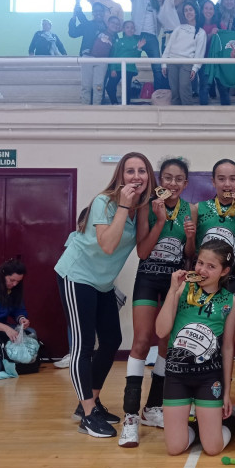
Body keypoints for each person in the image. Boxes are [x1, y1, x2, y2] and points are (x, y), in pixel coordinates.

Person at [55, 152, 155, 438]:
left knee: (112, 339)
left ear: (149, 176)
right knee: (84, 346)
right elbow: (108, 245)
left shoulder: (142, 208)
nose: (136, 177)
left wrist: (157, 219)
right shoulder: (104, 202)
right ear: (121, 176)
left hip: (103, 283)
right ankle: (87, 416)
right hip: (77, 277)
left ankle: (91, 401)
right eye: (130, 171)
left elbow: (142, 249)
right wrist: (124, 204)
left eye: (142, 171)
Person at [119, 157, 196, 448]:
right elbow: (142, 251)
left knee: (166, 343)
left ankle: (152, 408)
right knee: (141, 342)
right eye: (167, 178)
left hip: (174, 281)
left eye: (178, 179)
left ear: (185, 183)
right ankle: (130, 417)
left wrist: (190, 239)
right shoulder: (147, 206)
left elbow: (188, 254)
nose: (172, 184)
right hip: (149, 278)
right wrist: (160, 220)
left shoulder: (191, 209)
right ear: (159, 180)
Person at [156, 239, 235, 456]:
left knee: (213, 448)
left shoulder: (230, 301)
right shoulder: (182, 288)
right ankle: (201, 426)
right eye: (200, 263)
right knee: (175, 448)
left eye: (211, 266)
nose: (202, 269)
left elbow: (227, 349)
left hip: (209, 378)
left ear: (224, 271)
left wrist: (226, 392)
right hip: (177, 375)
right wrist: (171, 291)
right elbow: (160, 331)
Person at [196, 159, 235, 295]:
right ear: (213, 182)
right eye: (221, 179)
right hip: (205, 279)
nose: (227, 184)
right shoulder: (199, 208)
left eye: (232, 179)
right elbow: (190, 249)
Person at [126, 0, 168, 90]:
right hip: (136, 35)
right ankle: (127, 93)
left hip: (152, 36)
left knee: (157, 66)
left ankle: (158, 93)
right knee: (129, 64)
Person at [162, 3, 207, 106]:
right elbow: (169, 46)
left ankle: (188, 116)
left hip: (187, 63)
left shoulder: (201, 32)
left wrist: (195, 68)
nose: (188, 12)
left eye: (190, 9)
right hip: (172, 61)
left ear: (195, 12)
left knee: (184, 88)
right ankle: (175, 117)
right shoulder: (179, 28)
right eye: (186, 10)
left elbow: (200, 53)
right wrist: (164, 63)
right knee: (174, 90)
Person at [68, 1, 107, 104]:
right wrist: (74, 17)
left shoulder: (108, 28)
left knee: (99, 86)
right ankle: (85, 109)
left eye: (100, 11)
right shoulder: (87, 24)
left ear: (104, 13)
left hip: (103, 59)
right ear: (92, 13)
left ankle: (97, 109)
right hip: (87, 57)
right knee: (86, 86)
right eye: (95, 11)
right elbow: (73, 33)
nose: (98, 13)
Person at [106, 20, 146, 105]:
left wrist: (139, 48)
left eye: (132, 28)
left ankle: (127, 105)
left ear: (134, 30)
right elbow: (113, 55)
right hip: (117, 68)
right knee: (110, 87)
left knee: (127, 88)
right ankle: (115, 103)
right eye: (127, 27)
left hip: (129, 69)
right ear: (123, 29)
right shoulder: (118, 41)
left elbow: (136, 58)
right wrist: (112, 69)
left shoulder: (136, 41)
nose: (130, 29)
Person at [87, 15, 122, 105]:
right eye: (113, 23)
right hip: (90, 60)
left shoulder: (116, 39)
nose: (115, 25)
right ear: (108, 23)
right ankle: (86, 106)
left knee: (99, 85)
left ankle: (98, 105)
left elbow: (114, 53)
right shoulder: (98, 32)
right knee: (88, 85)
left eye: (117, 24)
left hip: (105, 64)